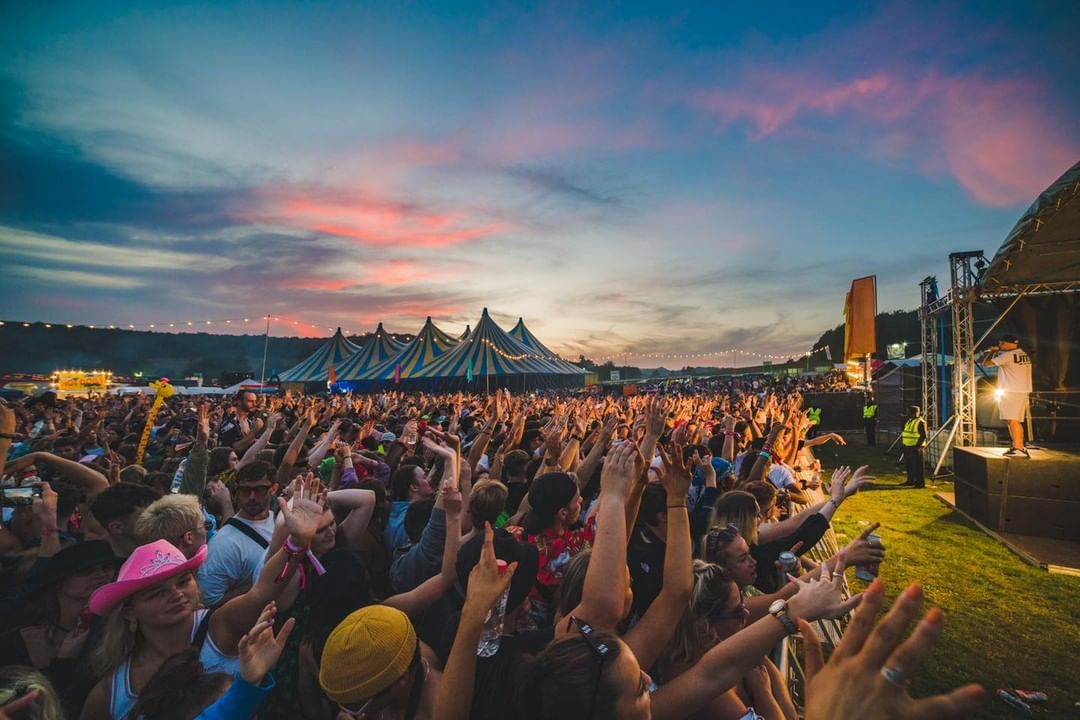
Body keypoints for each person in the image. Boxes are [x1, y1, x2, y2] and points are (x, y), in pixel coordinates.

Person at [197, 461, 278, 606]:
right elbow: (209, 602)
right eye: (245, 490)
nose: (251, 497)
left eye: (259, 489)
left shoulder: (280, 521)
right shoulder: (223, 544)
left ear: (273, 489)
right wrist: (262, 582)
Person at [981, 334, 1032, 457]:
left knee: (1013, 421)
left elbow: (986, 364)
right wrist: (998, 351)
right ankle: (1018, 446)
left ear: (1009, 344)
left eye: (1001, 343)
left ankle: (1019, 447)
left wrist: (992, 352)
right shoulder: (1022, 353)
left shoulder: (1007, 356)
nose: (1000, 345)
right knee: (1014, 421)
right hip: (1021, 390)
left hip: (1011, 391)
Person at [900, 406, 927, 488]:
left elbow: (923, 436)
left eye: (908, 412)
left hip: (916, 448)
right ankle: (910, 480)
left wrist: (917, 446)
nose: (907, 413)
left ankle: (920, 483)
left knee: (917, 466)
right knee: (909, 465)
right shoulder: (909, 421)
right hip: (908, 446)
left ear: (913, 412)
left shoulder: (920, 422)